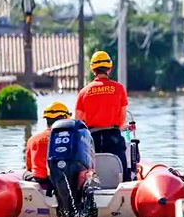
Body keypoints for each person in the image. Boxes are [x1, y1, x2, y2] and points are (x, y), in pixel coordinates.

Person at [75, 50, 131, 181]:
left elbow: (78, 122)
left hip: (91, 139)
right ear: (109, 69)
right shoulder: (119, 89)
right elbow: (122, 119)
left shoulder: (84, 92)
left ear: (93, 70)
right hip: (113, 138)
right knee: (123, 168)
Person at [24, 102, 71, 184]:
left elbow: (29, 167)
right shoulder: (70, 139)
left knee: (25, 173)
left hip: (38, 180)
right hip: (62, 182)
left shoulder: (32, 139)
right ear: (65, 118)